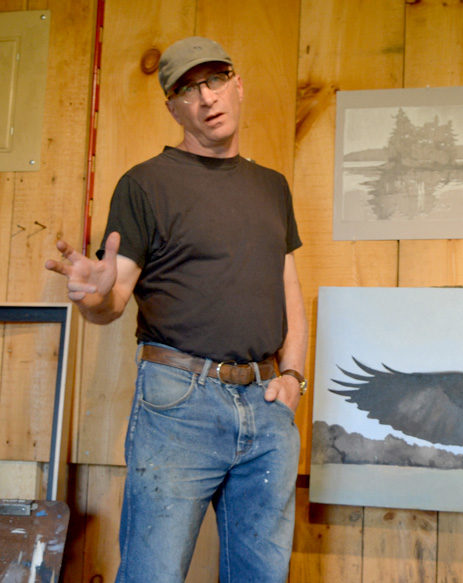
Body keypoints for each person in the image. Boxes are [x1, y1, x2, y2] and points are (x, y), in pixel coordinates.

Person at [45, 36, 307, 582]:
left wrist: (295, 378)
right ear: (172, 109)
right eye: (187, 90)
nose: (206, 98)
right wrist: (94, 294)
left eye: (215, 81)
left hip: (266, 405)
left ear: (238, 86)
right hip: (180, 406)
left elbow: (290, 293)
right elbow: (112, 301)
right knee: (152, 574)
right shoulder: (145, 185)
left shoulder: (273, 187)